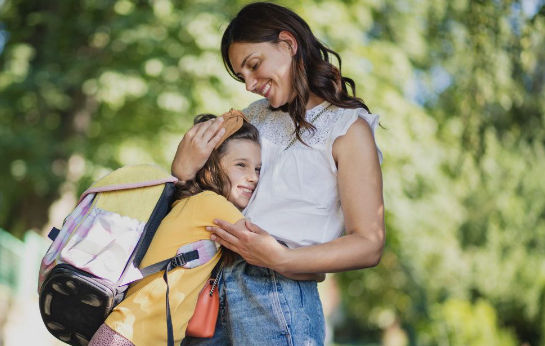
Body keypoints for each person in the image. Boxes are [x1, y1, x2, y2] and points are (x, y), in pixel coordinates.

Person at [174, 3, 385, 346]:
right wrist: (182, 169)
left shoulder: (348, 129)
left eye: (254, 66)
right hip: (208, 286)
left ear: (288, 44)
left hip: (277, 295)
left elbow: (369, 244)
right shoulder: (249, 117)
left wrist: (284, 259)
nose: (250, 84)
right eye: (242, 76)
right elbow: (201, 192)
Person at [90, 110, 304, 346]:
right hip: (128, 337)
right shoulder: (210, 204)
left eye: (257, 169)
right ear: (211, 168)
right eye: (241, 165)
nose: (253, 177)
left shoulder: (191, 204)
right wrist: (314, 269)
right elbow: (269, 251)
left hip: (129, 334)